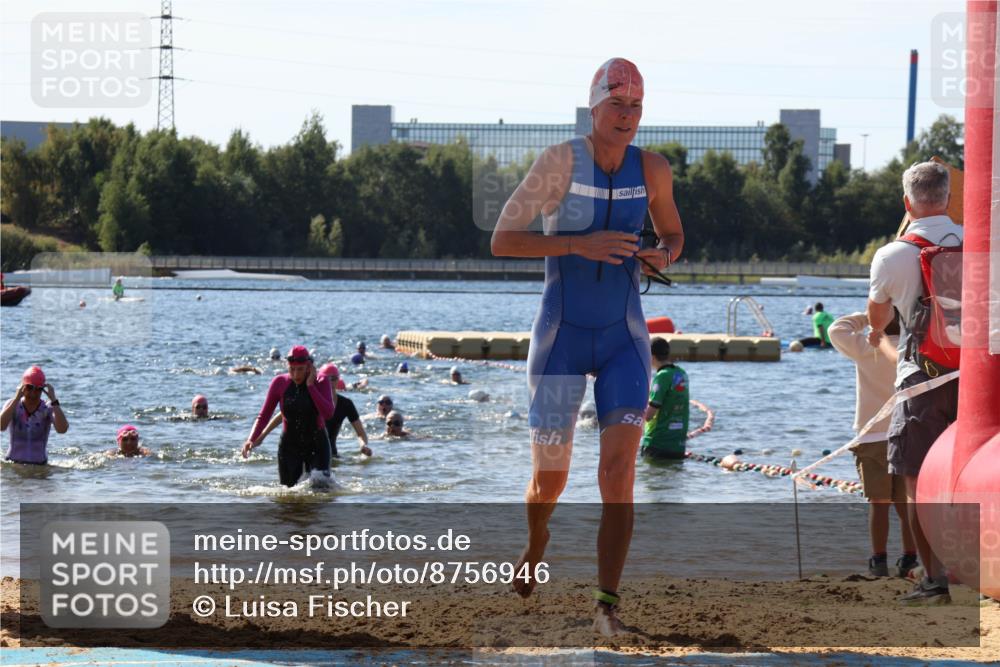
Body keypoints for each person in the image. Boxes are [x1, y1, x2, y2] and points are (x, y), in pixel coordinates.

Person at [491, 58, 683, 635]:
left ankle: (606, 605)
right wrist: (580, 243)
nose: (627, 118)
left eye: (636, 108)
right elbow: (503, 240)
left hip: (625, 339)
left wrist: (662, 255)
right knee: (550, 479)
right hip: (560, 339)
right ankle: (536, 540)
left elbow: (673, 235)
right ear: (593, 108)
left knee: (618, 471)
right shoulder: (559, 163)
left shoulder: (653, 169)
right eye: (617, 106)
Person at [867, 160, 962, 605]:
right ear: (946, 198)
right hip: (977, 381)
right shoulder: (980, 245)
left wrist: (875, 334)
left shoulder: (892, 254)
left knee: (914, 476)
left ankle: (934, 579)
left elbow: (878, 319)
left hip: (920, 380)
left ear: (907, 202)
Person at [828, 313, 917, 578]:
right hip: (906, 431)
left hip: (871, 435)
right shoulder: (910, 347)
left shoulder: (867, 347)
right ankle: (909, 559)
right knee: (905, 503)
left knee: (878, 503)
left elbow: (836, 329)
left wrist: (868, 314)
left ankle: (878, 560)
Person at [240, 346, 335, 487]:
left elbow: (328, 414)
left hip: (317, 445)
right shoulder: (279, 383)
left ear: (309, 366)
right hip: (289, 446)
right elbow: (264, 415)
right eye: (292, 369)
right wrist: (251, 438)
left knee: (320, 493)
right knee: (288, 496)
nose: (296, 375)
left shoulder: (321, 381)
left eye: (300, 369)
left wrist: (310, 386)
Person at [1, 366, 69, 464]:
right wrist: (16, 399)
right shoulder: (13, 405)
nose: (33, 393)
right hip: (13, 465)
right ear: (22, 388)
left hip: (40, 467)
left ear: (43, 389)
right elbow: (1, 426)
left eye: (38, 389)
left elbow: (62, 430)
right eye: (29, 387)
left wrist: (54, 400)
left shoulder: (48, 408)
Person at [640, 338, 690, 460]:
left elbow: (649, 415)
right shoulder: (681, 373)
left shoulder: (662, 376)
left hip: (657, 443)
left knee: (652, 477)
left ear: (651, 356)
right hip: (678, 446)